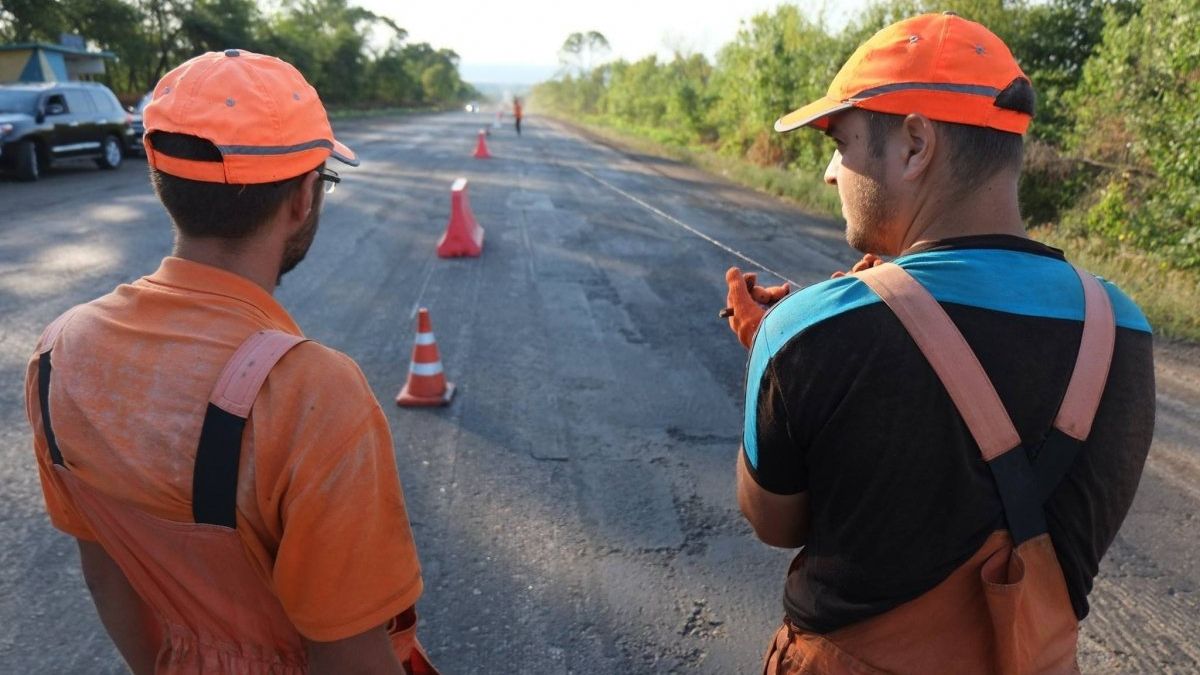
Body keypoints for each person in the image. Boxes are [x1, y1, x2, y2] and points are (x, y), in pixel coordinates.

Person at [723, 13, 1155, 674]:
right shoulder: (1122, 326)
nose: (832, 173)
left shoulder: (806, 332)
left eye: (839, 143)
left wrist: (774, 354)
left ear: (915, 143)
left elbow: (773, 522)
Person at [26, 50, 436, 674]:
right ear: (303, 198)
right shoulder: (311, 393)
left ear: (162, 182)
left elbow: (104, 574)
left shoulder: (57, 354)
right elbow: (350, 655)